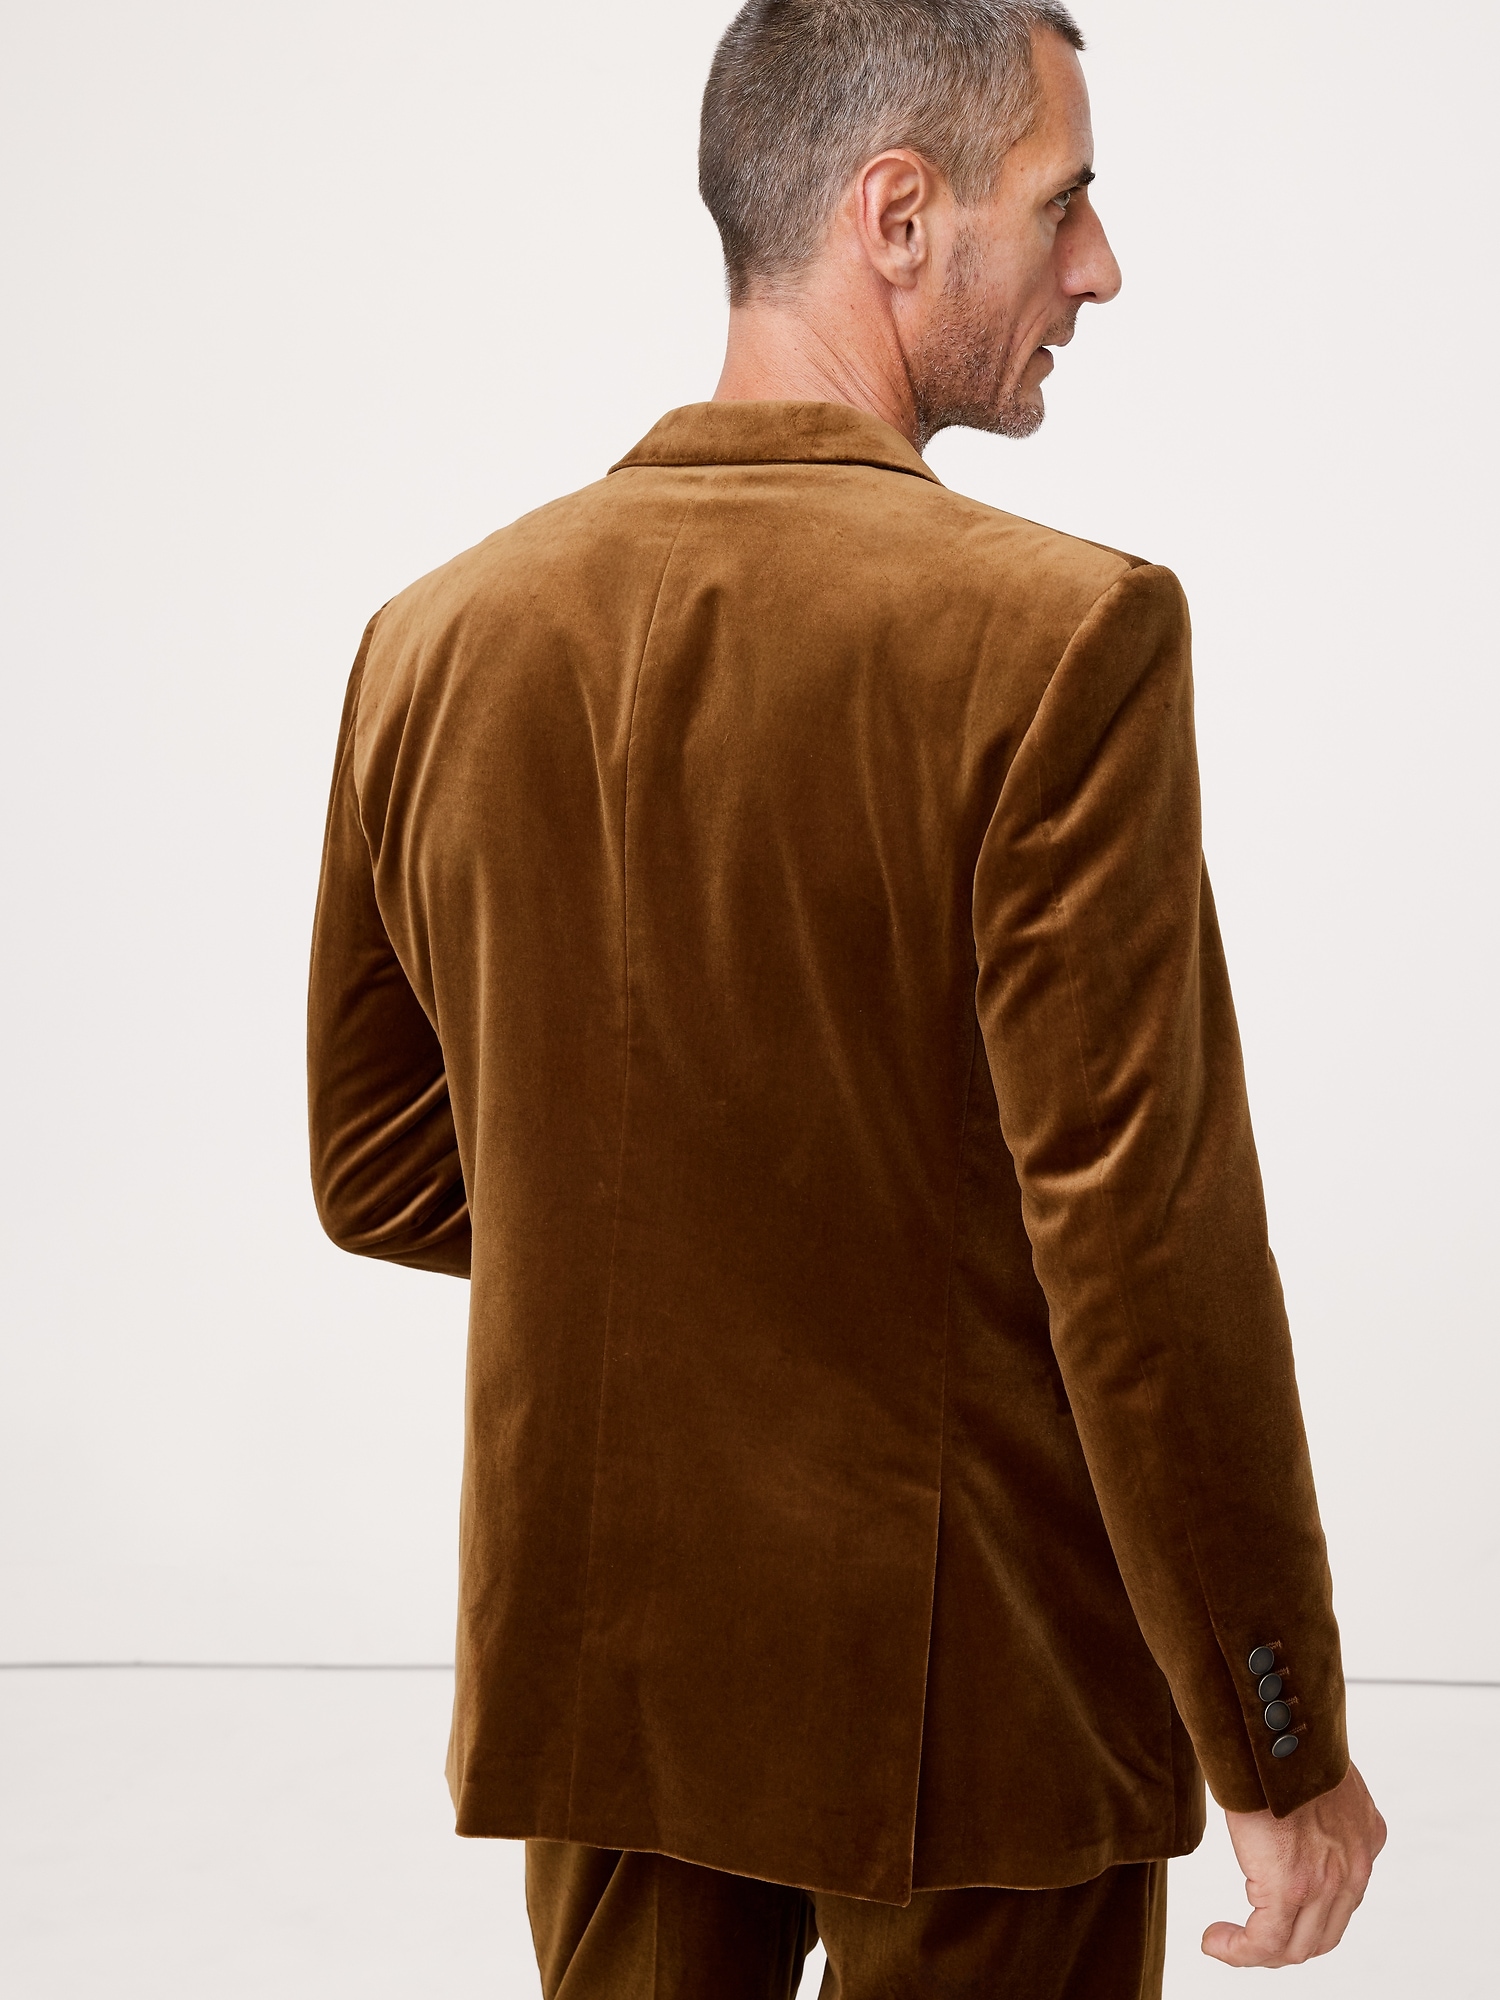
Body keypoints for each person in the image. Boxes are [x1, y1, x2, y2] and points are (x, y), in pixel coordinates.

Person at [307, 2, 1386, 1992]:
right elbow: (1139, 1252)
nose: (1100, 267)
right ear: (896, 214)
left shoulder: (433, 641)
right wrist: (1281, 1738)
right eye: (1062, 204)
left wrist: (698, 1262)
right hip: (983, 1691)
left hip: (604, 1668)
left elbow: (380, 1166)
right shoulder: (1065, 642)